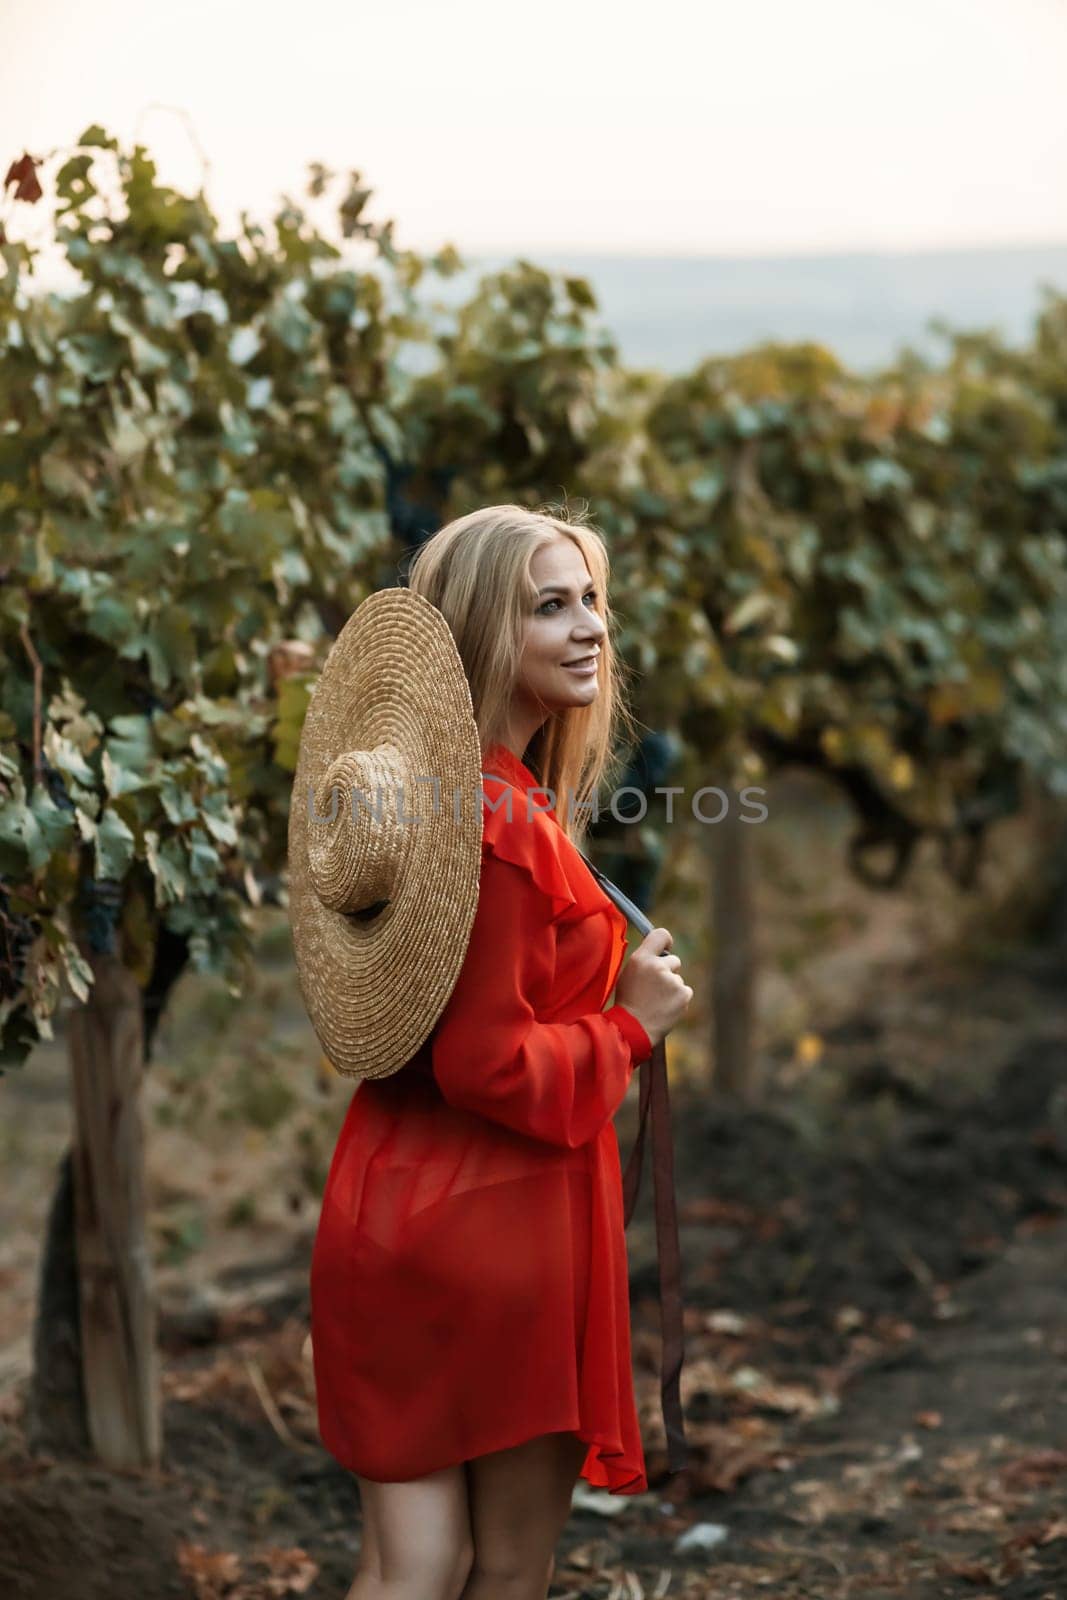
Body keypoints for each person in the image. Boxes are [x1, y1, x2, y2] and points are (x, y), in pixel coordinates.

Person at [308, 503, 693, 1600]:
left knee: (404, 1565)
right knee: (504, 1572)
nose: (588, 630)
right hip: (497, 1226)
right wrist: (631, 1022)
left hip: (385, 1206)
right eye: (548, 607)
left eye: (591, 601)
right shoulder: (506, 826)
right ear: (482, 634)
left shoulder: (439, 803)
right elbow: (492, 1066)